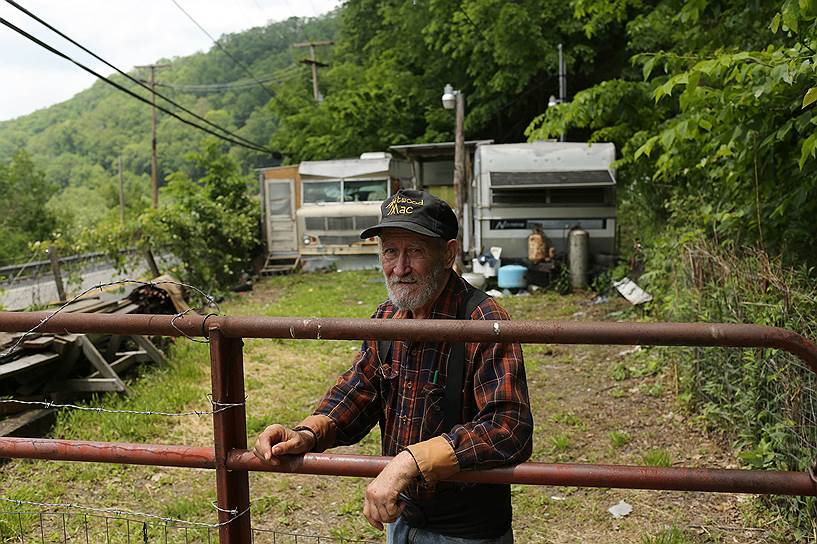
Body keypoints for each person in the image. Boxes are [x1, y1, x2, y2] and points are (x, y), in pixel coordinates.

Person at [253, 189, 533, 543]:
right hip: (400, 519)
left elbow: (509, 427)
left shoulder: (482, 319)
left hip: (466, 531)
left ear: (448, 253)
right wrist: (308, 433)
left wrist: (409, 462)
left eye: (414, 251)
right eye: (389, 251)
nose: (399, 268)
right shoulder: (387, 317)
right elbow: (360, 389)